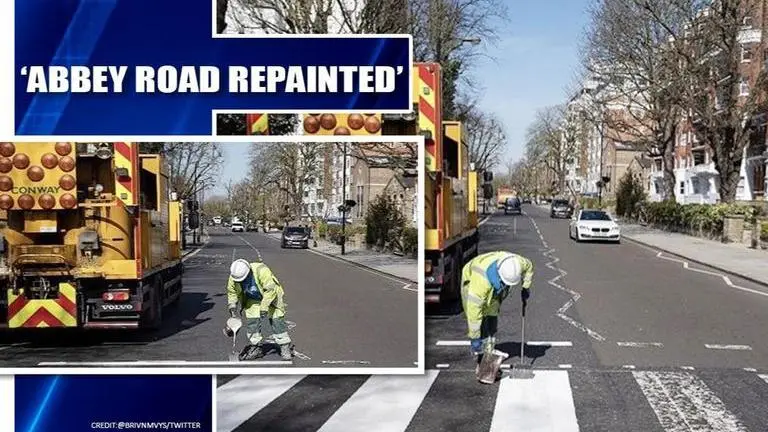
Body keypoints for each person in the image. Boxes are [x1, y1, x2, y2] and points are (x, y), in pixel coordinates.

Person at [461, 251, 533, 368]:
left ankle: (489, 351)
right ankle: (481, 356)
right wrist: (474, 338)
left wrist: (526, 287)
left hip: (492, 280)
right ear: (500, 277)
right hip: (471, 278)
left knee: (492, 314)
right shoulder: (480, 285)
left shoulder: (518, 263)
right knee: (479, 317)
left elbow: (529, 266)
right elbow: (474, 313)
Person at [224, 257, 293, 360]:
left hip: (272, 297)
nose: (242, 281)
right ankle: (256, 348)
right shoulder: (234, 277)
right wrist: (232, 306)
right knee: (253, 322)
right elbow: (232, 292)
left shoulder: (262, 270)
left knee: (277, 320)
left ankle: (284, 347)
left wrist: (264, 308)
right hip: (253, 299)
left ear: (249, 272)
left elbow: (270, 290)